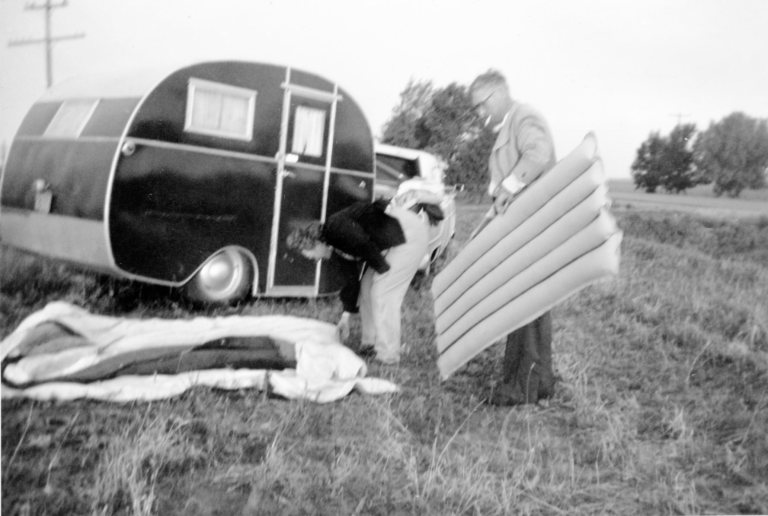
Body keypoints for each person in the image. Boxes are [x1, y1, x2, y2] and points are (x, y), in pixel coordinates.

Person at [469, 69, 557, 406]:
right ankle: (537, 383)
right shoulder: (510, 123)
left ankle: (521, 389)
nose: (480, 114)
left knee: (525, 309)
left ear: (497, 94)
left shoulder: (524, 117)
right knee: (531, 310)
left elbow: (538, 154)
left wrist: (507, 188)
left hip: (532, 229)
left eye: (481, 105)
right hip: (524, 228)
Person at [286, 199, 430, 365]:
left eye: (309, 255)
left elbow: (360, 240)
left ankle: (388, 354)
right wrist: (345, 317)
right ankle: (370, 344)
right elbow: (351, 281)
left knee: (382, 293)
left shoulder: (335, 228)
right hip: (394, 238)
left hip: (408, 232)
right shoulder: (335, 248)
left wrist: (381, 267)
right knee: (366, 287)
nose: (314, 259)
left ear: (314, 243)